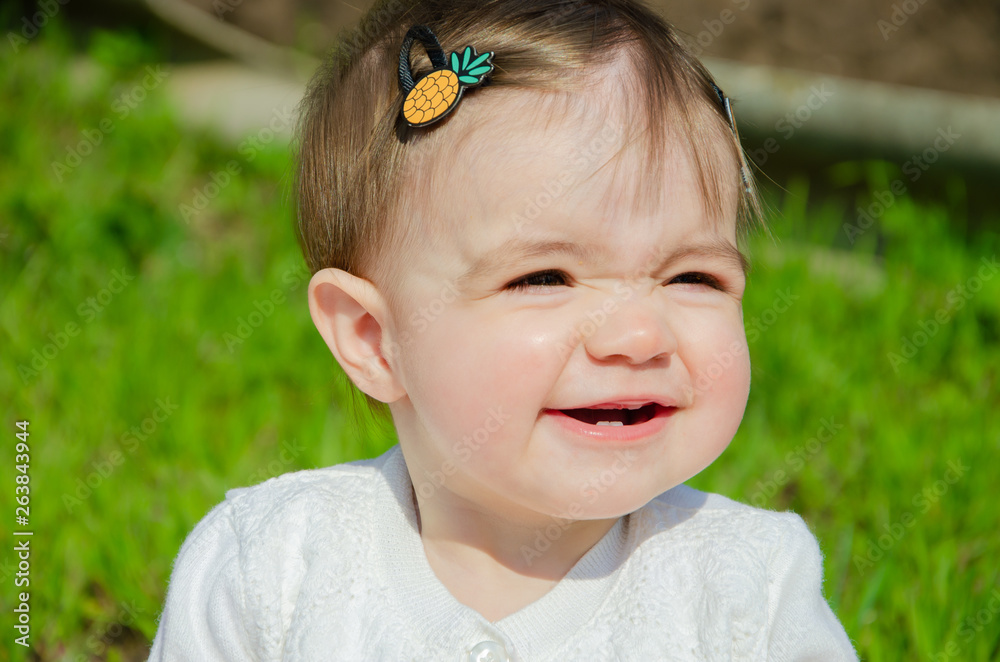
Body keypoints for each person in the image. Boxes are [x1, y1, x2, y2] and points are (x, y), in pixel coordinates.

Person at [148, 0, 858, 659]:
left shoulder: (752, 594)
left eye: (691, 278)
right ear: (371, 338)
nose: (640, 336)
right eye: (544, 278)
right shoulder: (272, 569)